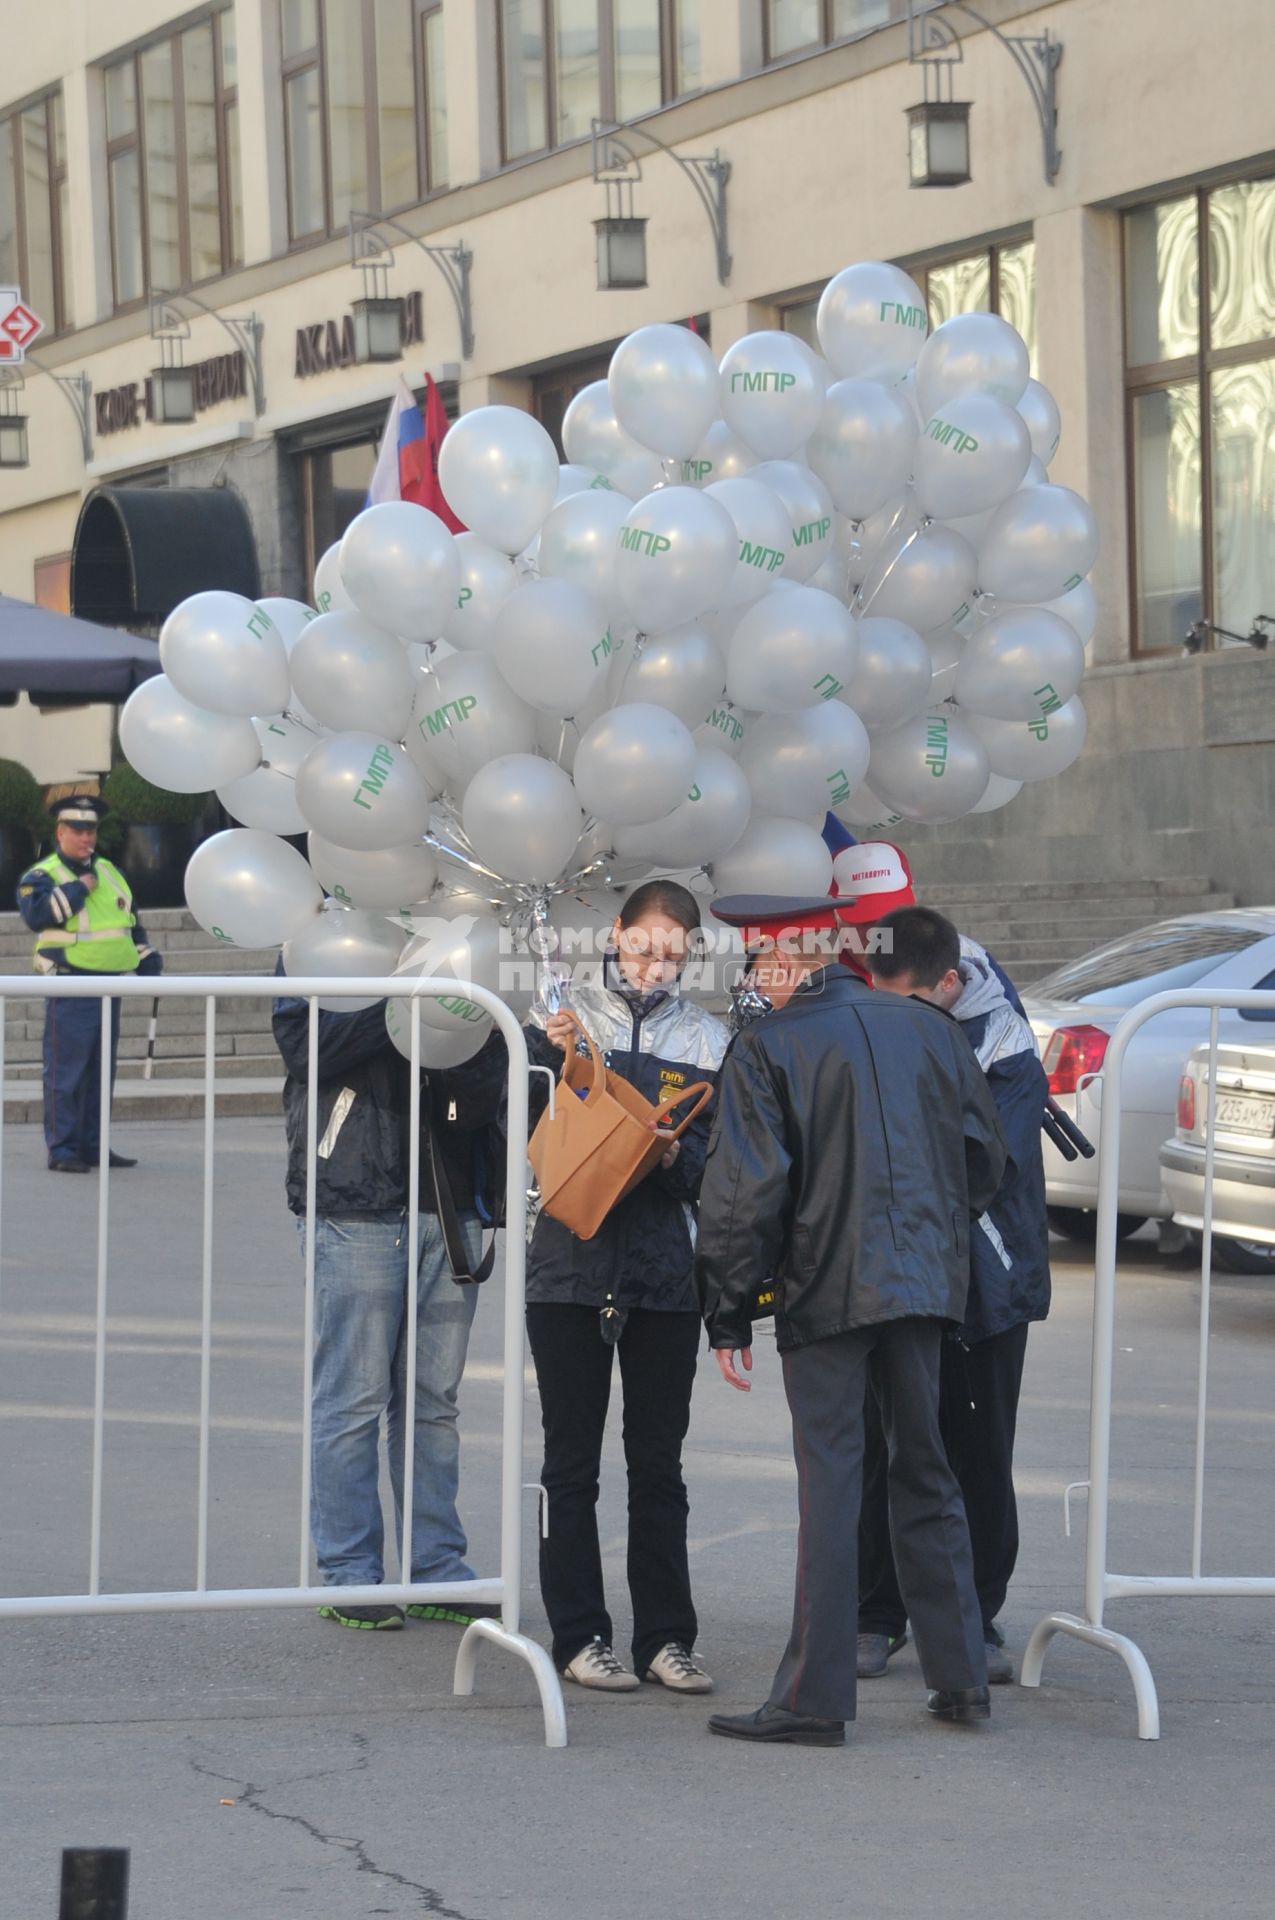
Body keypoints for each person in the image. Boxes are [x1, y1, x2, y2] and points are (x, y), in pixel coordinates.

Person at [695, 892, 1006, 1747]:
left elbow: (741, 1194)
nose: (753, 982)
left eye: (757, 965)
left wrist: (727, 1311)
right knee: (925, 1470)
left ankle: (813, 1698)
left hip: (828, 1285)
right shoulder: (933, 1030)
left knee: (832, 1482)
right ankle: (961, 1677)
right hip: (922, 1282)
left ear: (785, 961)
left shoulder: (770, 1045)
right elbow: (983, 1161)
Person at [524, 879, 729, 1695]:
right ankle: (578, 1635)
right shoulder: (565, 1022)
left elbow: (718, 1170)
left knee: (659, 1465)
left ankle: (667, 1639)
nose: (655, 964)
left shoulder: (710, 1041)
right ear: (615, 935)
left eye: (673, 952)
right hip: (567, 1269)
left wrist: (678, 1158)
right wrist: (559, 1060)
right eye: (644, 946)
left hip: (663, 1277)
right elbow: (530, 1142)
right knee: (570, 1461)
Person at [272, 978, 506, 1631]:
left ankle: (436, 1567)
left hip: (452, 1197)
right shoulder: (318, 941)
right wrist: (405, 1000)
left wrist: (460, 1014)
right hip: (356, 1197)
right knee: (352, 1397)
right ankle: (350, 1574)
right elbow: (304, 1045)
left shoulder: (459, 938)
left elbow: (493, 1067)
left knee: (433, 1404)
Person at [857, 906, 1050, 1686]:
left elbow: (977, 1164)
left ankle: (976, 1616)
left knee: (978, 1453)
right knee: (881, 1452)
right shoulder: (867, 1019)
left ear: (948, 982)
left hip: (985, 1279)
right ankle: (876, 1614)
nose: (893, 1020)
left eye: (911, 1004)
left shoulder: (1002, 1044)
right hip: (889, 1275)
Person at [16, 793, 162, 1173]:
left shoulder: (111, 872)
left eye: (91, 831)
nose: (86, 839)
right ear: (60, 831)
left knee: (101, 1071)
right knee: (66, 1072)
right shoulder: (42, 875)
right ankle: (63, 1149)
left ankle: (94, 1145)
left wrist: (146, 958)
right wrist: (80, 888)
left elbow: (130, 922)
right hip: (70, 984)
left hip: (111, 984)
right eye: (78, 831)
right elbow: (36, 915)